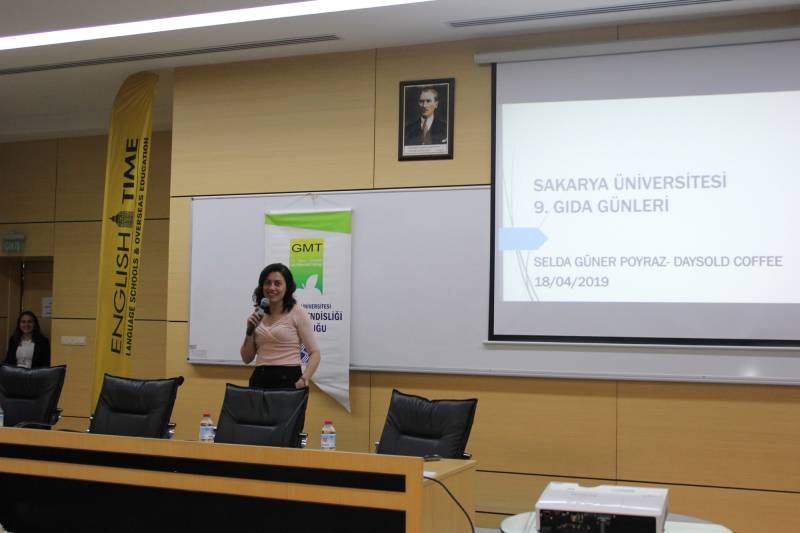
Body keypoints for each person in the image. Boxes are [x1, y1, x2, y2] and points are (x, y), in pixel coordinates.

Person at [240, 263, 320, 389]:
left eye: (277, 283)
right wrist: (249, 332)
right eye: (267, 283)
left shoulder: (297, 312)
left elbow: (315, 353)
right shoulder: (258, 313)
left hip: (288, 378)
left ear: (287, 287)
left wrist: (304, 379)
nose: (272, 288)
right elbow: (246, 358)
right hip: (260, 378)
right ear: (262, 286)